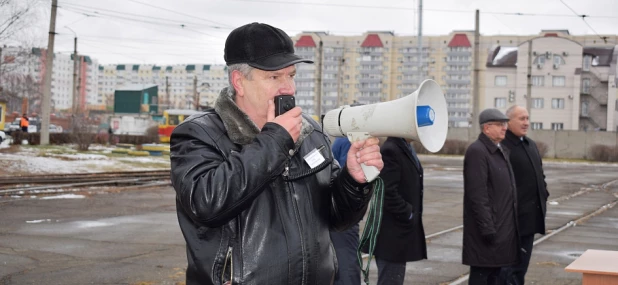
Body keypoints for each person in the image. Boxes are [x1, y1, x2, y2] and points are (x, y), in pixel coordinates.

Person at [170, 22, 384, 285]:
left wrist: (353, 181)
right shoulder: (199, 133)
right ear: (239, 82)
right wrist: (275, 140)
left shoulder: (311, 133)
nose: (289, 88)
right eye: (274, 77)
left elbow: (337, 219)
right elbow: (206, 204)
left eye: (291, 76)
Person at [462, 108, 519, 285]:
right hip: (487, 233)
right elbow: (477, 195)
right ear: (487, 128)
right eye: (500, 124)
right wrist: (487, 228)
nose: (505, 128)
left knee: (494, 276)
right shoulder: (477, 151)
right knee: (481, 276)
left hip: (501, 230)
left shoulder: (499, 150)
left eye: (505, 124)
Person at [363, 137, 427, 285]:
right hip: (391, 235)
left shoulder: (404, 147)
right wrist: (408, 213)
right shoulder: (391, 150)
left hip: (398, 234)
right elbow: (386, 192)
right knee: (390, 280)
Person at [500, 105, 549, 285]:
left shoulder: (530, 145)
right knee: (507, 272)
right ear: (508, 122)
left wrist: (544, 194)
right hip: (511, 223)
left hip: (529, 221)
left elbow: (539, 175)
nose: (526, 123)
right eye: (521, 119)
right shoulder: (503, 147)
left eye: (527, 118)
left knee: (520, 270)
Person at [330, 136, 361, 285]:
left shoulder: (340, 141)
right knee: (347, 268)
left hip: (336, 215)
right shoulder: (349, 141)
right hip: (343, 220)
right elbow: (347, 173)